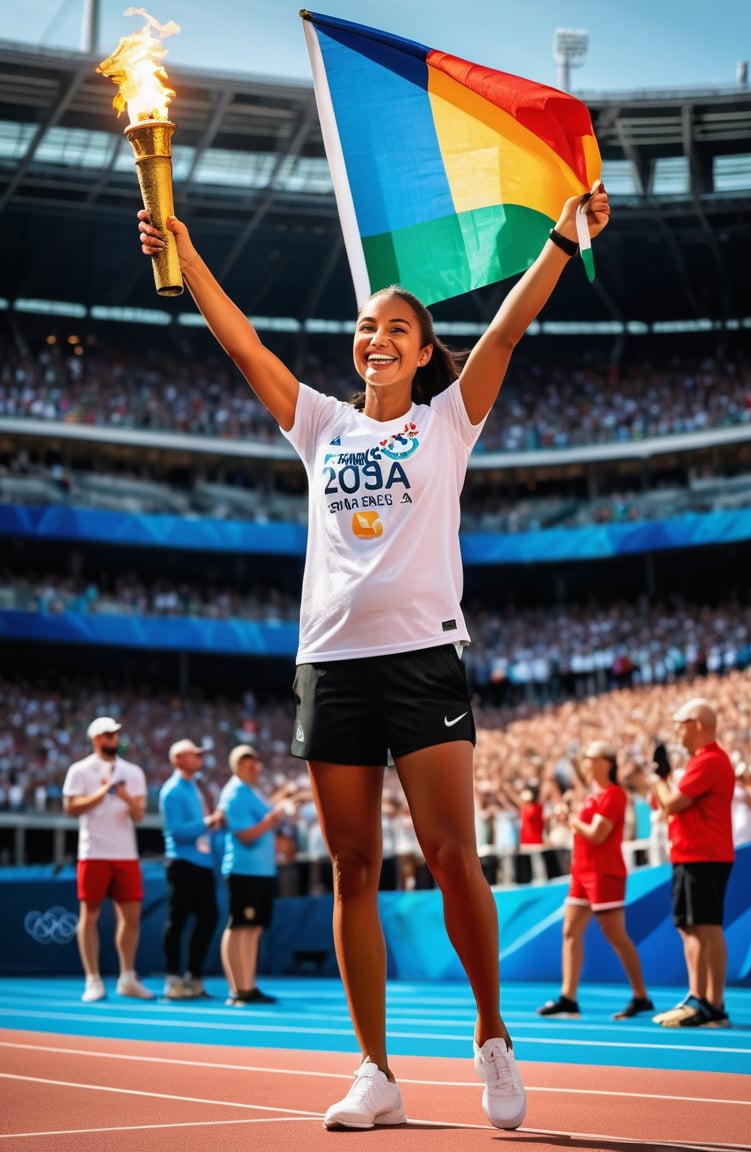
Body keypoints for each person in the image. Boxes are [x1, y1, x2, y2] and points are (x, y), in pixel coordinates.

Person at [138, 179, 610, 1129]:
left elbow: (507, 333)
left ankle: (492, 1038)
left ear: (425, 351)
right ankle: (374, 1071)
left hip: (422, 659)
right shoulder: (322, 422)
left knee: (449, 856)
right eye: (365, 327)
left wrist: (560, 243)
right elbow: (243, 345)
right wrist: (183, 256)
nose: (376, 338)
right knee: (353, 865)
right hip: (330, 665)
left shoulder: (448, 421)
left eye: (397, 328)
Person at [537, 742, 654, 1020]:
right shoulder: (594, 795)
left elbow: (596, 834)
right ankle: (568, 996)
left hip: (604, 872)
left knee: (616, 935)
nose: (586, 763)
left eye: (590, 759)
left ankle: (641, 996)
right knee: (570, 932)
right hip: (583, 871)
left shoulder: (614, 795)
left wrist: (570, 820)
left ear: (605, 762)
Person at [651, 697, 735, 1027]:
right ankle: (700, 998)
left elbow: (672, 803)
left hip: (704, 854)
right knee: (692, 926)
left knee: (706, 926)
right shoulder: (705, 761)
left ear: (698, 725)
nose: (677, 731)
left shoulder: (709, 760)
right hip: (692, 853)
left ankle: (711, 1002)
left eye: (681, 723)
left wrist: (659, 777)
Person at [62, 715, 155, 1002]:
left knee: (131, 917)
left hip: (125, 853)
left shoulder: (133, 772)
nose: (115, 739)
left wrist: (123, 795)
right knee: (88, 915)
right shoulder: (80, 770)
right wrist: (103, 791)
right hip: (93, 852)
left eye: (116, 734)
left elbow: (139, 815)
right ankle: (92, 979)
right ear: (96, 739)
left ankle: (127, 975)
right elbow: (70, 808)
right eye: (108, 734)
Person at [216, 744, 296, 1006]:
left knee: (253, 928)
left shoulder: (251, 792)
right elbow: (245, 835)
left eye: (255, 761)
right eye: (247, 762)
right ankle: (237, 988)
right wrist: (273, 818)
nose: (254, 766)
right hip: (244, 869)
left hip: (260, 870)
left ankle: (247, 985)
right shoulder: (234, 793)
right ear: (237, 766)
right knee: (239, 925)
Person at [158, 737, 225, 1000]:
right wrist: (209, 821)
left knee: (208, 918)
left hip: (202, 863)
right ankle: (173, 979)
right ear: (178, 759)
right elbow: (177, 832)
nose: (199, 758)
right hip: (183, 862)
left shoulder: (193, 787)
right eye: (193, 754)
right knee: (178, 920)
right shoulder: (173, 790)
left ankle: (193, 976)